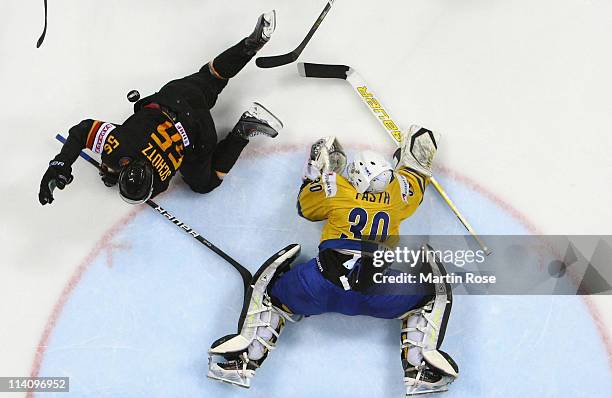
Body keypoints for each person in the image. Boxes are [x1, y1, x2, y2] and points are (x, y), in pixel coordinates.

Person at [207, 126, 459, 395]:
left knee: (271, 293)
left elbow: (305, 208)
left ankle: (246, 355)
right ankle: (420, 366)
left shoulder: (335, 189)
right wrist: (414, 158)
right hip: (379, 292)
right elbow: (416, 177)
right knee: (430, 293)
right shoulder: (398, 195)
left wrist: (315, 174)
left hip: (316, 286)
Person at [39, 11, 282, 206]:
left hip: (198, 131)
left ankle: (244, 129)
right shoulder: (116, 146)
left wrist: (104, 171)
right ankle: (252, 44)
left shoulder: (159, 182)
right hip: (174, 97)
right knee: (211, 76)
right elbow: (81, 132)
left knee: (205, 183)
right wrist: (60, 164)